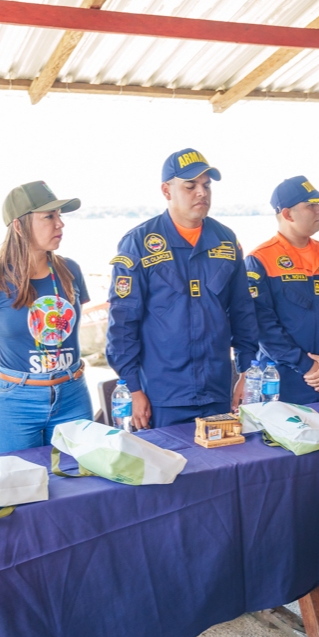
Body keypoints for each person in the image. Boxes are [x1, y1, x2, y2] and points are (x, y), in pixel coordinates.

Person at [106, 148, 258, 429]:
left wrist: (248, 372)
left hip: (217, 389)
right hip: (161, 394)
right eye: (190, 186)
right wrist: (133, 388)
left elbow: (243, 312)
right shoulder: (138, 243)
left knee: (222, 468)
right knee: (168, 470)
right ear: (166, 191)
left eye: (207, 185)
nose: (202, 193)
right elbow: (123, 324)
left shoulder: (225, 241)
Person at [0, 181, 93, 452]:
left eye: (59, 216)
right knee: (17, 487)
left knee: (80, 485)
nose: (60, 224)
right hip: (14, 402)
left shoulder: (70, 271)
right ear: (19, 226)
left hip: (73, 395)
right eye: (49, 217)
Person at [245, 176, 319, 403]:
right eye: (311, 205)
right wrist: (306, 366)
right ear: (288, 214)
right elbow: (262, 326)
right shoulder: (260, 260)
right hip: (281, 382)